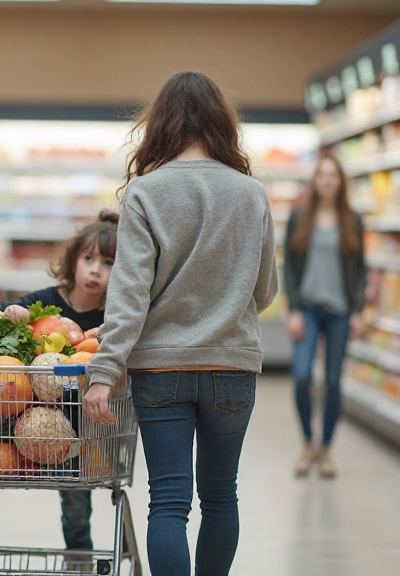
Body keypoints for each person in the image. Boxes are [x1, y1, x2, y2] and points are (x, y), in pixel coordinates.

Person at [82, 71, 279, 576]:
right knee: (220, 497)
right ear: (221, 122)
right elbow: (266, 291)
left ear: (161, 124)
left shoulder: (147, 193)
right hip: (232, 367)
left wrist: (104, 372)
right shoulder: (250, 194)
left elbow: (127, 298)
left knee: (168, 502)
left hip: (161, 370)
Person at [0, 211, 118, 554]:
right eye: (88, 258)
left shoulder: (115, 315)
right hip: (29, 415)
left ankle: (79, 548)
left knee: (75, 494)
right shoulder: (47, 302)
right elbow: (12, 316)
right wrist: (8, 314)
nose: (96, 269)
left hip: (82, 425)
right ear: (73, 261)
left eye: (109, 262)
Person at [283, 154, 366, 479]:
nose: (328, 180)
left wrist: (357, 310)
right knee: (302, 376)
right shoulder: (300, 216)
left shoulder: (353, 220)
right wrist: (292, 309)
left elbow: (360, 270)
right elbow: (289, 265)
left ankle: (326, 448)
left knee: (332, 382)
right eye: (323, 175)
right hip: (308, 309)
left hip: (340, 312)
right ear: (315, 181)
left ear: (340, 181)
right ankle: (307, 442)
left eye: (334, 175)